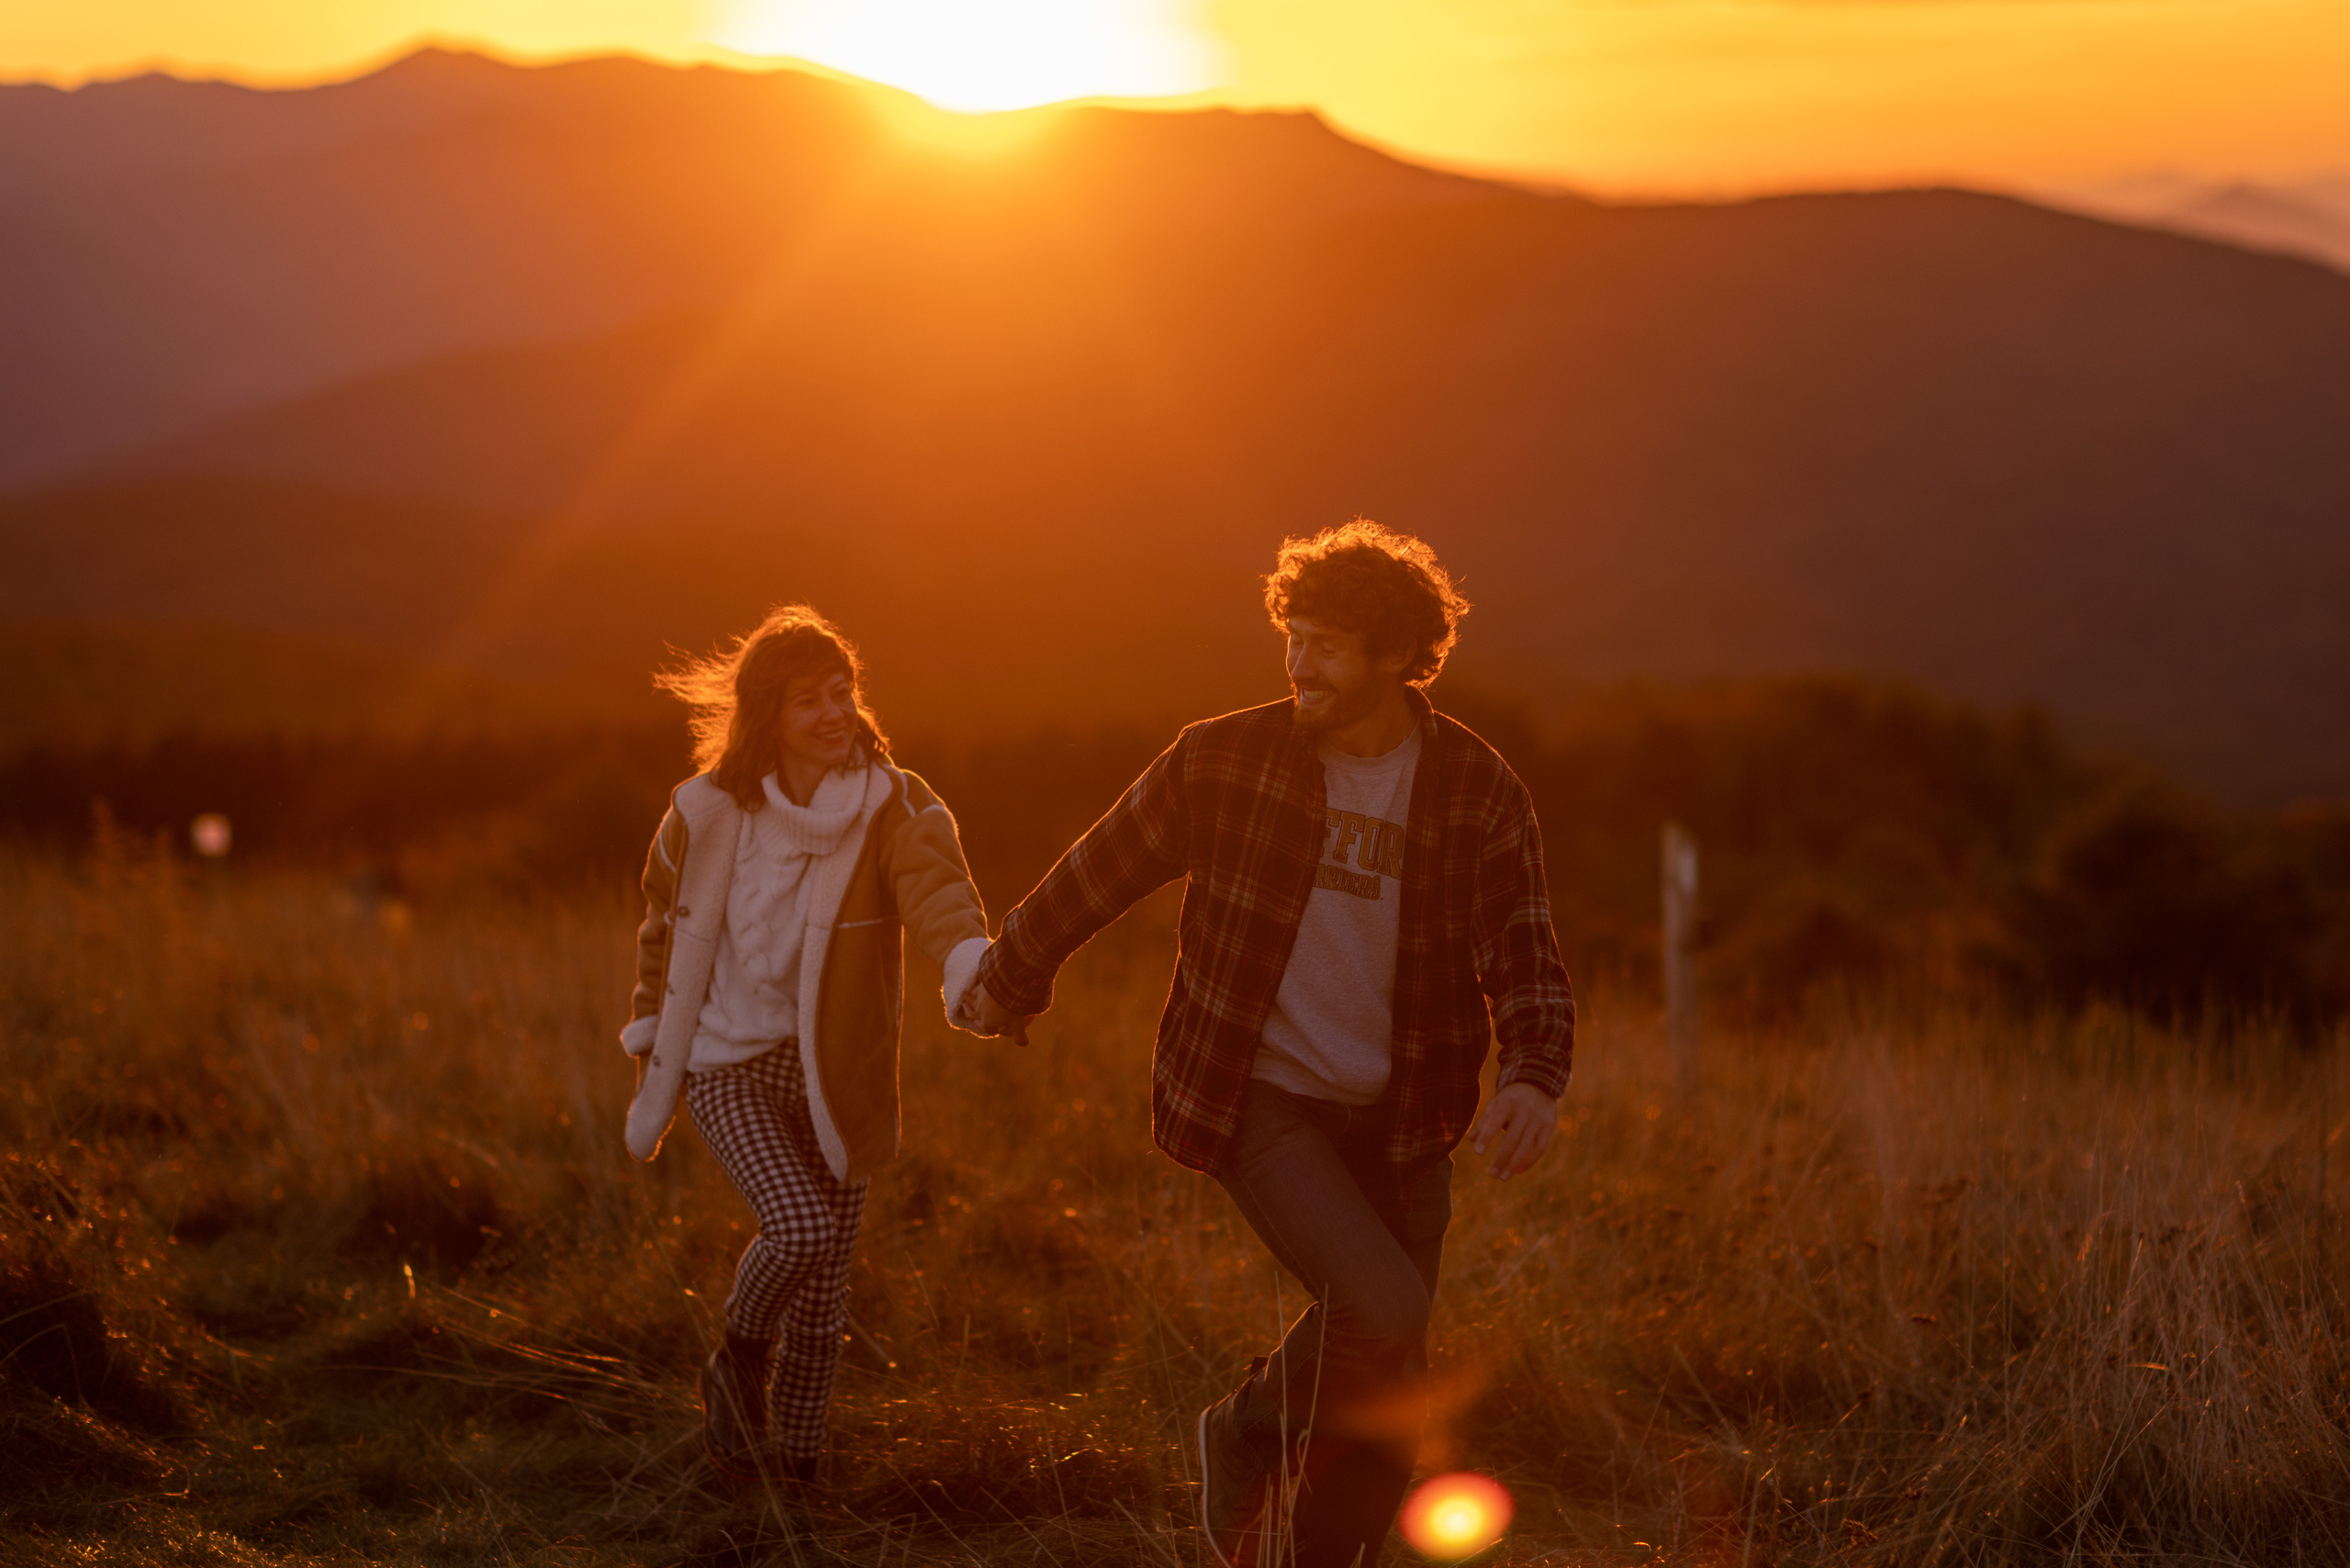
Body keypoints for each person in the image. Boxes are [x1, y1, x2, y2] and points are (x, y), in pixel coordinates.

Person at [968, 521, 1573, 1567]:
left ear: (1396, 657)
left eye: (1329, 645)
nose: (1301, 664)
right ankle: (1251, 1432)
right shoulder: (1224, 758)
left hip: (1401, 1112)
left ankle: (1299, 1529)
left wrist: (1532, 1072)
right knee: (1380, 1310)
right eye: (1293, 637)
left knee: (1393, 1379)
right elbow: (1097, 870)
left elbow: (1521, 944)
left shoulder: (1476, 787)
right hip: (1259, 1095)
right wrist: (1009, 974)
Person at [618, 605, 994, 1482]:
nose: (833, 714)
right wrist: (649, 1035)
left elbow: (938, 889)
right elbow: (660, 932)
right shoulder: (705, 817)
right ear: (766, 721)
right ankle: (739, 1354)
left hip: (836, 1071)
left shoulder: (890, 804)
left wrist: (970, 964)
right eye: (806, 702)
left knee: (825, 1295)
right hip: (725, 1063)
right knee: (797, 1230)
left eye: (843, 692)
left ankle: (793, 1475)